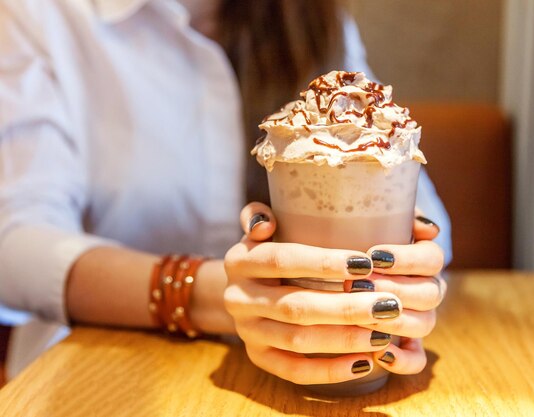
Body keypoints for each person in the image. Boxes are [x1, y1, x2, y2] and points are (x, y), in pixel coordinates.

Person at [0, 0, 451, 384]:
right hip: (92, 373)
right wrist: (209, 293)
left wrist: (400, 278)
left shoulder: (309, 16)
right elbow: (14, 244)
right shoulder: (40, 15)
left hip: (295, 379)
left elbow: (424, 215)